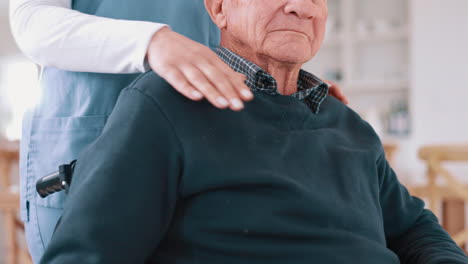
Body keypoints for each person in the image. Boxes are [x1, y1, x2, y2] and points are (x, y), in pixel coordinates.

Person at [40, 0, 468, 263]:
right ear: (220, 7)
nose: (303, 6)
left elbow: (415, 228)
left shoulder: (348, 124)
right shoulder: (164, 106)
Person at [9, 0, 348, 262]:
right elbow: (32, 21)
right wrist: (153, 42)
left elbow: (243, 23)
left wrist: (287, 88)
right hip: (90, 133)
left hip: (209, 143)